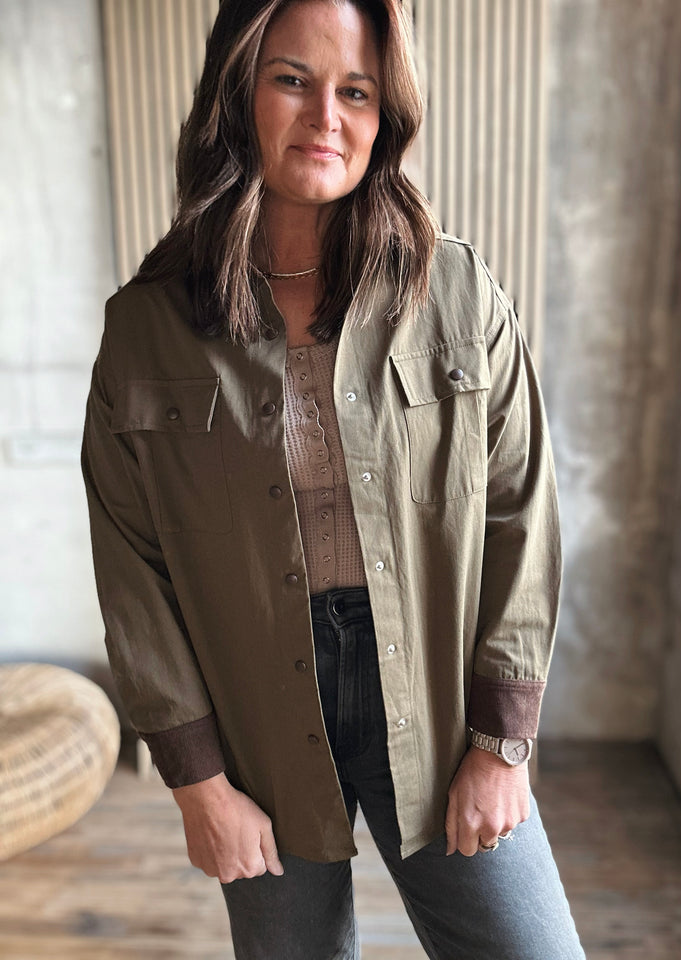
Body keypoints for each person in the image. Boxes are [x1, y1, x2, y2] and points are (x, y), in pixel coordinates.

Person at [81, 0, 586, 957]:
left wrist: (502, 740)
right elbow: (132, 567)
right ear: (238, 91)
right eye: (292, 80)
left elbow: (522, 511)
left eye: (355, 90)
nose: (327, 117)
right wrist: (197, 783)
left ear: (384, 113)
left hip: (434, 701)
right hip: (256, 723)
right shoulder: (145, 330)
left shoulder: (459, 293)